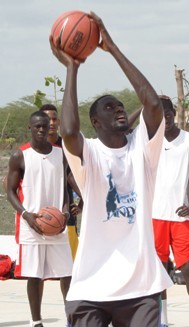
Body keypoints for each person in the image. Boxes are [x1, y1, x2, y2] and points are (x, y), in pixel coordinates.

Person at [50, 12, 173, 326]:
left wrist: (113, 48)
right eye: (109, 107)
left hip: (140, 285)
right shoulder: (89, 153)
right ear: (95, 122)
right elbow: (67, 131)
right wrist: (72, 68)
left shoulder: (143, 151)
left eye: (120, 106)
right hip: (91, 285)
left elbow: (154, 105)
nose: (118, 109)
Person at [6, 110, 72, 327]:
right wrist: (26, 215)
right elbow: (11, 191)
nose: (43, 129)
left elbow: (64, 187)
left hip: (56, 224)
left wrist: (65, 211)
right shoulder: (20, 155)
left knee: (67, 274)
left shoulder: (61, 153)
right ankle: (36, 321)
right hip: (31, 224)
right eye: (38, 126)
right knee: (35, 276)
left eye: (46, 125)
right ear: (30, 128)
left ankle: (72, 318)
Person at [152, 96, 189, 327]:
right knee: (159, 271)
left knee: (187, 269)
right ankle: (163, 320)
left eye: (167, 114)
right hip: (155, 216)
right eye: (158, 115)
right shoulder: (151, 140)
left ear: (173, 113)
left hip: (180, 217)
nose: (164, 119)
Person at [39, 104, 83, 260]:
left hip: (65, 206)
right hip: (41, 206)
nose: (51, 123)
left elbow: (75, 176)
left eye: (54, 119)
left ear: (58, 122)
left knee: (70, 259)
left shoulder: (67, 145)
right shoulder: (34, 148)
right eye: (47, 119)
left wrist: (82, 203)